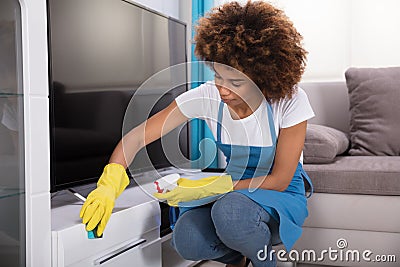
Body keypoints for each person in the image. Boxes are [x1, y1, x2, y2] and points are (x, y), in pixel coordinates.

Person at [80, 1, 314, 267]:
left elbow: (280, 179)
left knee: (232, 212)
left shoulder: (288, 100)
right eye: (218, 76)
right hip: (232, 191)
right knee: (186, 238)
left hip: (278, 193)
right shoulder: (206, 96)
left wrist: (208, 187)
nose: (223, 90)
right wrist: (109, 184)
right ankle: (238, 256)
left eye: (235, 82)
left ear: (263, 77)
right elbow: (136, 137)